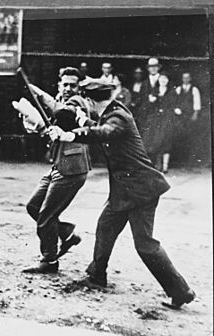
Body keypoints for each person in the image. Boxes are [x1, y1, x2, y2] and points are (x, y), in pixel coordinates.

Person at [47, 80, 196, 309]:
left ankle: (181, 291)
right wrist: (79, 120)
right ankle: (97, 276)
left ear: (90, 100)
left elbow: (105, 131)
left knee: (145, 244)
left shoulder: (118, 118)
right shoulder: (112, 111)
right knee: (105, 227)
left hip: (141, 190)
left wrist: (71, 135)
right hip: (125, 189)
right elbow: (98, 125)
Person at [13, 67, 92, 274]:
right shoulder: (61, 100)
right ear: (59, 85)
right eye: (64, 84)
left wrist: (37, 94)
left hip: (72, 168)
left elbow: (61, 113)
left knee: (46, 216)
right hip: (59, 164)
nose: (68, 89)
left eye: (72, 85)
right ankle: (66, 233)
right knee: (33, 206)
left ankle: (49, 261)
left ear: (79, 88)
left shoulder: (78, 103)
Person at [141, 72, 179, 173]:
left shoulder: (172, 91)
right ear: (158, 80)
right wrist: (151, 101)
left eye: (165, 79)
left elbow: (174, 104)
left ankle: (165, 166)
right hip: (156, 119)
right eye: (161, 79)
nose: (163, 81)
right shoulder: (154, 91)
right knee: (155, 140)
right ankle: (157, 165)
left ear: (168, 80)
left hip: (167, 118)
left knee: (166, 141)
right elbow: (149, 106)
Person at [175, 72, 201, 164]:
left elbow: (197, 102)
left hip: (190, 115)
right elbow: (175, 101)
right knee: (180, 136)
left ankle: (190, 161)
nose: (185, 80)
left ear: (190, 79)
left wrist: (195, 113)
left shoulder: (194, 89)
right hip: (180, 116)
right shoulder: (178, 89)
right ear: (182, 79)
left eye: (187, 78)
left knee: (190, 137)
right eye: (184, 78)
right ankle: (180, 160)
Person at [138, 58, 161, 136]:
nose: (153, 68)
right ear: (148, 68)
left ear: (158, 68)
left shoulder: (164, 80)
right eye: (151, 66)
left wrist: (157, 98)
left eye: (155, 66)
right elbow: (141, 98)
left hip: (159, 112)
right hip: (147, 113)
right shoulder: (144, 83)